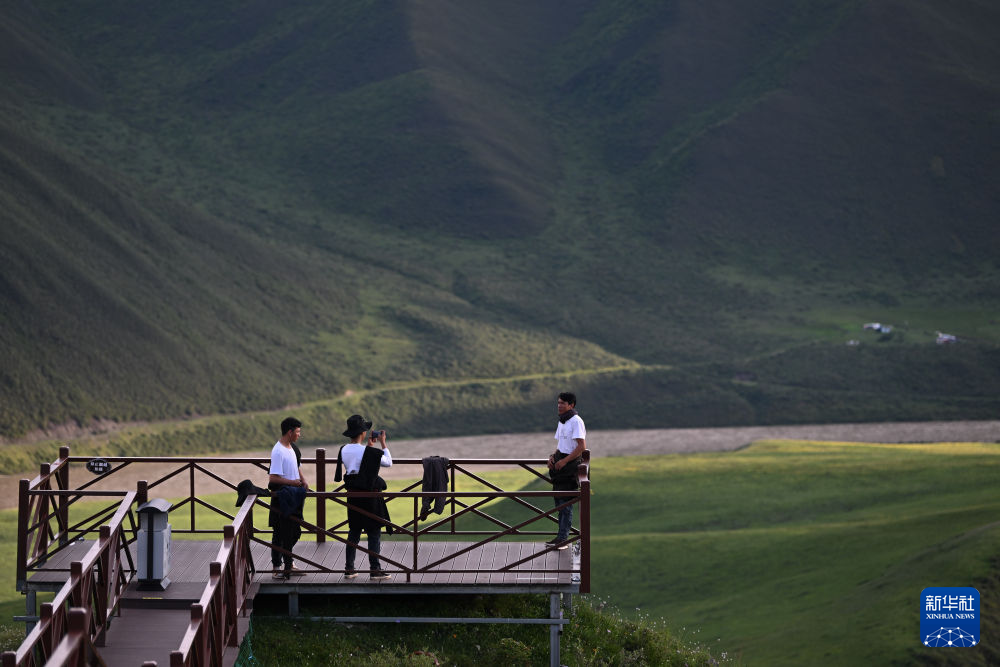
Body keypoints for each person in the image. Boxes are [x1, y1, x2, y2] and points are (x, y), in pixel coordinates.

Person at [335, 414, 393, 580]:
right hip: (369, 495)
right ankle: (375, 569)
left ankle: (349, 568)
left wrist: (369, 447)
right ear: (362, 432)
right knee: (374, 532)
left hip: (353, 495)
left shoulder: (343, 449)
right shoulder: (369, 452)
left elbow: (356, 463)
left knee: (354, 531)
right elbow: (388, 462)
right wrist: (383, 443)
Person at [269, 416, 309, 579]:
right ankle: (277, 567)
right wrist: (292, 482)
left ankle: (288, 562)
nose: (299, 435)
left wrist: (303, 480)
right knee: (280, 533)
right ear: (289, 432)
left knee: (295, 532)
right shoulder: (278, 451)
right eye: (297, 432)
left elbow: (296, 466)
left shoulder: (293, 448)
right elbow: (273, 478)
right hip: (282, 497)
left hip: (294, 496)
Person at [547, 392, 587, 549]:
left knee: (565, 504)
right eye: (558, 402)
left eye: (563, 403)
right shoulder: (562, 421)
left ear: (571, 405)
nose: (559, 405)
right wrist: (553, 457)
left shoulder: (576, 421)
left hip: (570, 466)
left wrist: (564, 461)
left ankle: (563, 540)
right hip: (560, 464)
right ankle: (560, 537)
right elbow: (561, 445)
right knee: (559, 503)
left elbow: (581, 446)